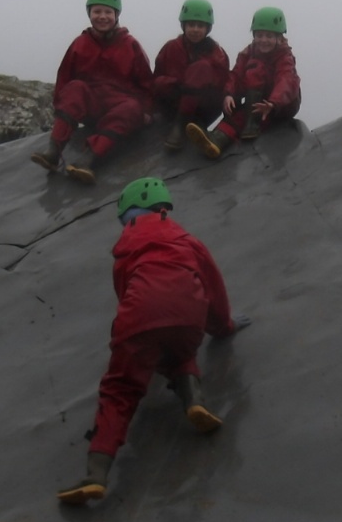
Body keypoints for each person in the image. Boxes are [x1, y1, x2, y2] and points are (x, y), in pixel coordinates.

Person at [58, 176, 242, 505]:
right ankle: (194, 400)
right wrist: (224, 326)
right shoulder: (186, 238)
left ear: (128, 213)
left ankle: (96, 475)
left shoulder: (126, 246)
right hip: (189, 312)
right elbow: (213, 284)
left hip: (141, 314)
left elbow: (124, 292)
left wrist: (129, 336)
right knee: (180, 351)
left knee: (121, 389)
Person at [31, 0, 155, 182]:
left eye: (108, 12)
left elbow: (147, 83)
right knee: (75, 88)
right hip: (91, 107)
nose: (102, 16)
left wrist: (147, 111)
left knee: (132, 107)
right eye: (97, 11)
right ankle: (53, 151)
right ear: (89, 13)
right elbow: (64, 79)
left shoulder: (130, 45)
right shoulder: (80, 43)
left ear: (116, 15)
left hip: (119, 108)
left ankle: (89, 159)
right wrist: (60, 108)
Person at [186, 7, 302, 160]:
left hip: (282, 105)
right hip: (258, 101)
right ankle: (215, 141)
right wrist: (229, 94)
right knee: (238, 113)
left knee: (256, 71)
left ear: (279, 38)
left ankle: (251, 126)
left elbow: (286, 81)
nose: (263, 40)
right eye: (259, 35)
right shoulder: (248, 53)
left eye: (269, 36)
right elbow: (236, 75)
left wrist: (274, 103)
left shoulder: (284, 57)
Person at [153, 0, 230, 151]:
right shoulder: (171, 47)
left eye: (200, 26)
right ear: (184, 26)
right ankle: (185, 123)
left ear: (207, 28)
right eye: (191, 25)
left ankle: (181, 127)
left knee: (201, 68)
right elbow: (156, 78)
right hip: (174, 103)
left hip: (203, 107)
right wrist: (177, 85)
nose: (195, 29)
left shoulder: (217, 54)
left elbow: (221, 84)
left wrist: (195, 82)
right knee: (160, 83)